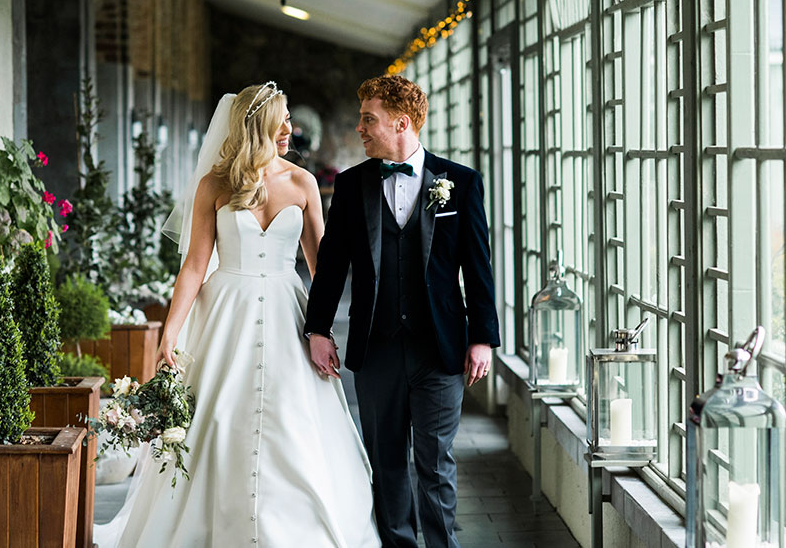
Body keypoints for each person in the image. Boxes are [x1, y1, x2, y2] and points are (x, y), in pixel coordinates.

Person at [95, 83, 380, 547]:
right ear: (257, 125)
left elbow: (322, 268)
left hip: (289, 314)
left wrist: (322, 330)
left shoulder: (303, 183)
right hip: (225, 311)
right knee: (220, 416)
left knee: (292, 418)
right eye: (282, 120)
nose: (291, 129)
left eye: (290, 120)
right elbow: (193, 266)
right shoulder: (215, 185)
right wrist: (171, 332)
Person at [304, 74, 499, 548]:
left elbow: (478, 267)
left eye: (368, 120)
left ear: (401, 123)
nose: (360, 129)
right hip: (377, 350)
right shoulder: (351, 187)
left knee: (435, 464)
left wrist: (481, 337)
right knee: (387, 462)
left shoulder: (461, 183)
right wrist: (318, 329)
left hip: (441, 350)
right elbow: (331, 265)